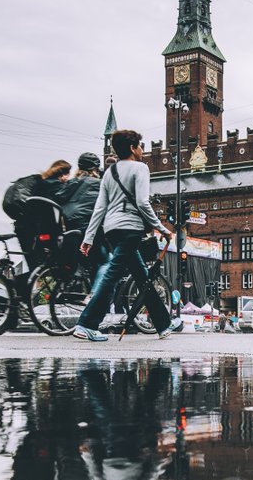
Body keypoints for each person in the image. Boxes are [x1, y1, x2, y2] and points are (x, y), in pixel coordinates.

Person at [73, 128, 182, 343]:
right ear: (133, 148)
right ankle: (86, 324)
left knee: (142, 276)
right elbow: (142, 202)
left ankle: (162, 324)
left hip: (111, 230)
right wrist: (161, 228)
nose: (142, 149)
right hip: (130, 228)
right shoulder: (140, 168)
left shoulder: (109, 173)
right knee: (112, 275)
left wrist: (89, 238)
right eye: (140, 145)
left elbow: (99, 208)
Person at [55, 153, 103, 235]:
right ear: (95, 169)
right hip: (86, 223)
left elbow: (59, 197)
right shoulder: (97, 183)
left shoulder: (71, 182)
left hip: (68, 222)